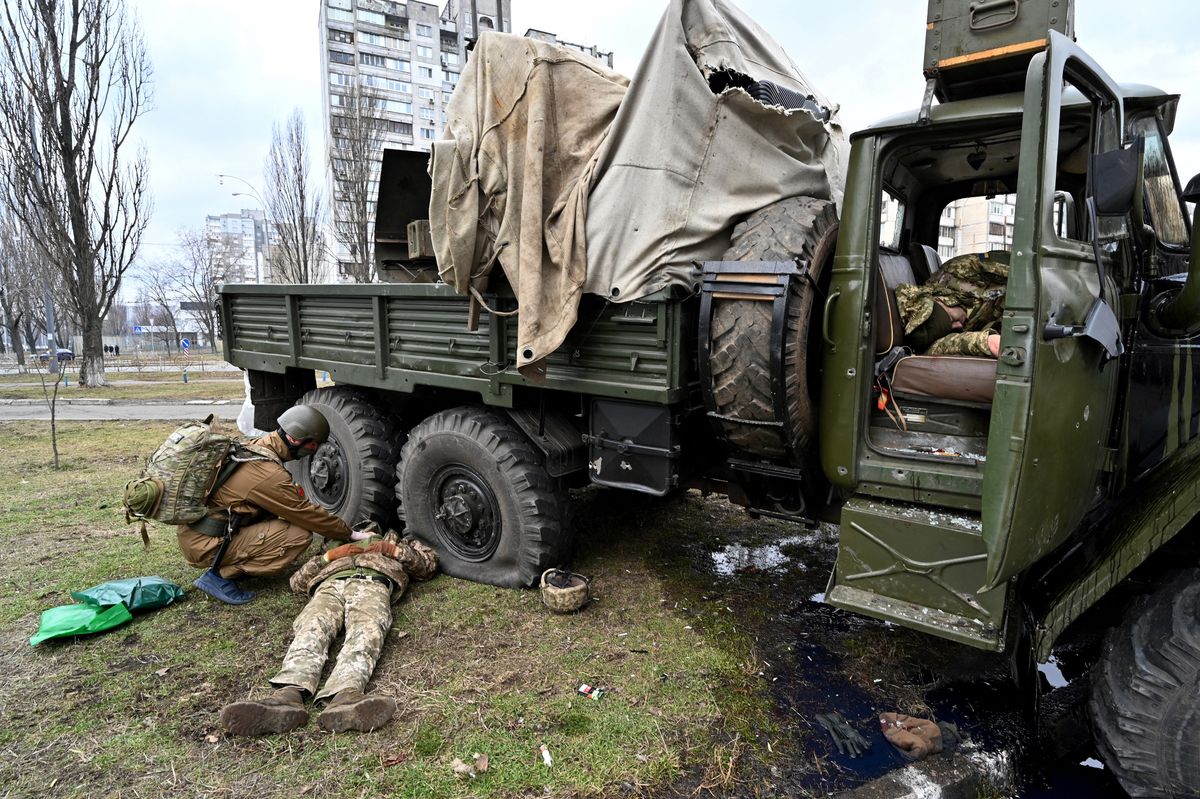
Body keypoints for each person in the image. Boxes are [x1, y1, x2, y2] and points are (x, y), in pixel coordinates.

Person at [219, 530, 438, 736]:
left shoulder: (398, 539)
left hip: (373, 581)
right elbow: (296, 582)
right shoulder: (332, 542)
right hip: (329, 585)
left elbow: (427, 567)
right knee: (312, 627)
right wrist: (328, 557)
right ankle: (287, 696)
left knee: (368, 628)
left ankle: (346, 696)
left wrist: (392, 550)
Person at [179, 405, 359, 605]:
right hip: (205, 544)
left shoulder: (255, 446)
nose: (314, 451)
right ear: (293, 439)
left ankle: (229, 562)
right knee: (299, 535)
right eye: (312, 445)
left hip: (198, 533)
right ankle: (220, 575)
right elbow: (305, 513)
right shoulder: (267, 473)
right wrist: (349, 533)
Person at [895, 250, 1009, 357]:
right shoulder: (934, 338)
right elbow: (954, 344)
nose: (959, 326)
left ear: (938, 300)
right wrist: (987, 341)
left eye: (952, 319)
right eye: (952, 329)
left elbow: (1019, 265)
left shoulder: (958, 271)